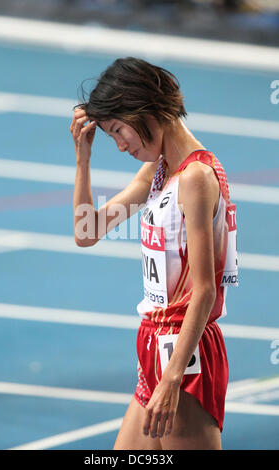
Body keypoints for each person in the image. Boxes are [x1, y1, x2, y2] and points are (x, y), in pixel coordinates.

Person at [70, 57, 238, 450]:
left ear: (141, 109)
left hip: (183, 351)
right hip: (155, 344)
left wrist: (173, 377)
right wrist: (83, 159)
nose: (120, 144)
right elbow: (86, 231)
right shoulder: (160, 170)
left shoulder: (195, 178)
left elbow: (205, 290)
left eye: (118, 131)